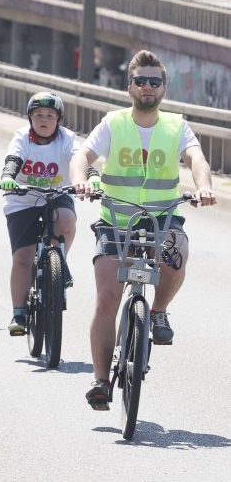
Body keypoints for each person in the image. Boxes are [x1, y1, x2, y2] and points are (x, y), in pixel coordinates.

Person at [69, 50, 216, 410]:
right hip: (116, 220)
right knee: (107, 298)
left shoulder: (176, 126)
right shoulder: (113, 123)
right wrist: (80, 181)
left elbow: (197, 159)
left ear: (164, 88)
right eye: (140, 81)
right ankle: (100, 380)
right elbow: (82, 156)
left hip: (162, 218)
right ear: (130, 87)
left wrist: (203, 187)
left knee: (177, 254)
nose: (147, 87)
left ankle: (157, 311)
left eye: (154, 81)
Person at [0, 93, 88, 334]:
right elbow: (13, 159)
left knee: (66, 220)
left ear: (59, 119)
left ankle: (59, 264)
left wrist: (90, 177)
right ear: (30, 118)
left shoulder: (67, 138)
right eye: (38, 115)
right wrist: (8, 176)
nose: (44, 120)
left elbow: (78, 160)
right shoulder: (22, 137)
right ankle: (19, 312)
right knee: (23, 257)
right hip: (22, 198)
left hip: (57, 194)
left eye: (50, 115)